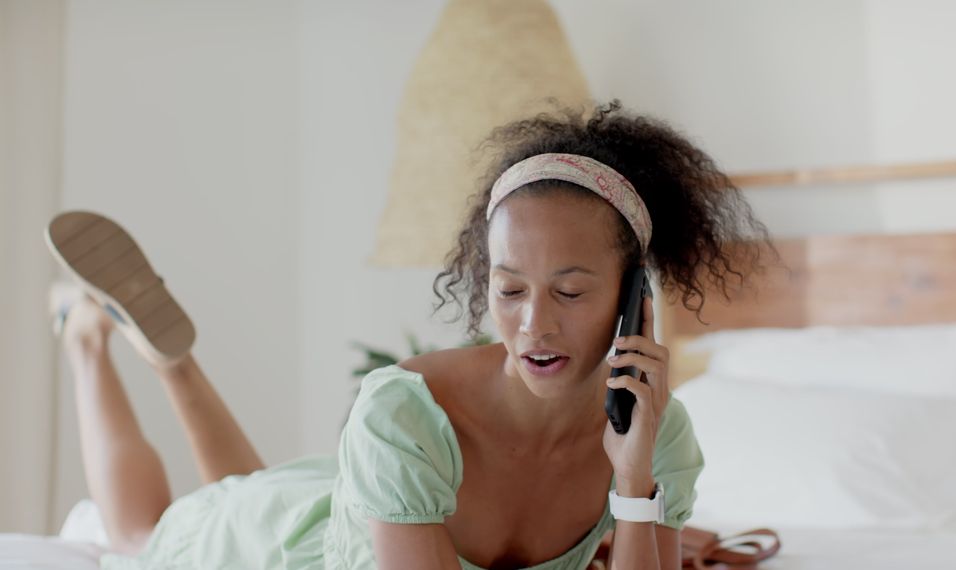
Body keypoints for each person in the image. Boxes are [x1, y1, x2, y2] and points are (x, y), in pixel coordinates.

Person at [45, 101, 768, 569]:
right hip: (285, 550)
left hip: (355, 509)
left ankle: (174, 364)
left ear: (634, 297)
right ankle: (86, 338)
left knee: (248, 487)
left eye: (571, 292)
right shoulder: (407, 412)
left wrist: (635, 485)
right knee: (144, 539)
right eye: (509, 289)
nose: (534, 324)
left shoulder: (656, 437)